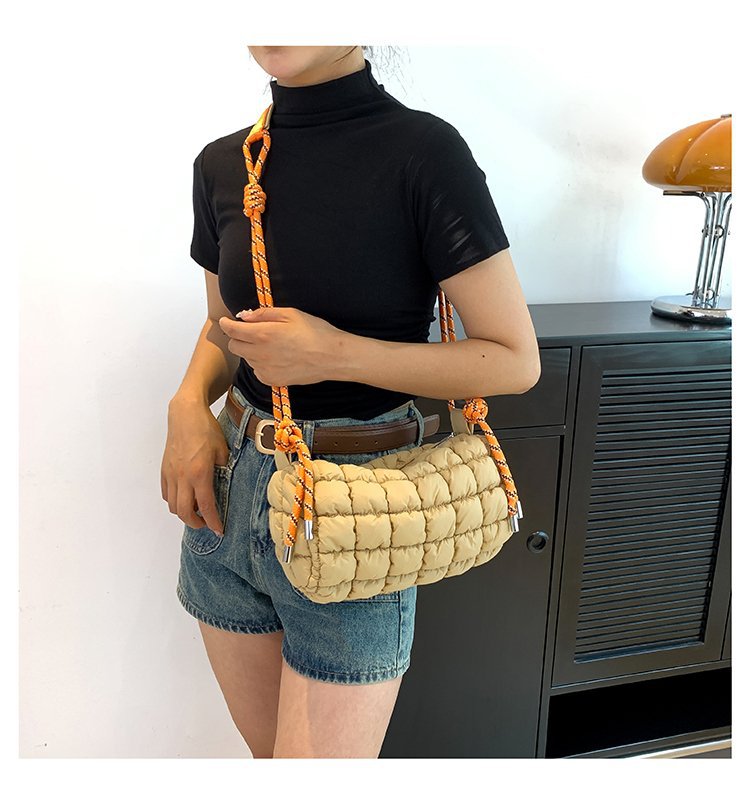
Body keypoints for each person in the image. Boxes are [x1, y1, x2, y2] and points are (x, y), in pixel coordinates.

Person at [161, 45, 540, 759]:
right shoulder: (224, 164)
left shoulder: (425, 153)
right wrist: (186, 407)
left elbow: (514, 359)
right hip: (228, 497)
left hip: (359, 512)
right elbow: (225, 326)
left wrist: (334, 353)